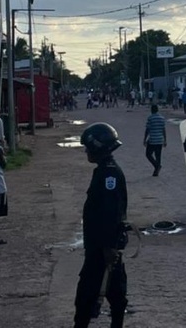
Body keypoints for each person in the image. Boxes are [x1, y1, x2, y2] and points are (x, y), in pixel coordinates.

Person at [74, 122, 129, 328]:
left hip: (103, 249)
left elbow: (110, 212)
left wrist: (108, 246)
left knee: (89, 296)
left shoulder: (109, 174)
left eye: (88, 147)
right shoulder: (104, 171)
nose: (86, 151)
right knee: (113, 294)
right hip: (101, 246)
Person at [144, 104, 167, 176]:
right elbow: (163, 130)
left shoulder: (150, 118)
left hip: (152, 139)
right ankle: (156, 170)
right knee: (158, 155)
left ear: (151, 110)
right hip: (160, 139)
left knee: (148, 154)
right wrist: (165, 139)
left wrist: (145, 139)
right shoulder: (162, 118)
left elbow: (147, 129)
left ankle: (156, 166)